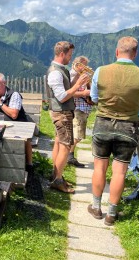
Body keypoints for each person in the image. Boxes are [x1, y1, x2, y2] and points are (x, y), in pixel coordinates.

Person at [88, 36, 139, 226]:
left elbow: (93, 98)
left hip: (102, 124)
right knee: (120, 172)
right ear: (135, 53)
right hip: (128, 126)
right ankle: (111, 214)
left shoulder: (100, 71)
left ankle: (96, 207)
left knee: (100, 167)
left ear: (117, 52)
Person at [46, 41, 89, 194]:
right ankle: (57, 180)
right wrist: (78, 86)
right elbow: (62, 96)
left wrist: (77, 79)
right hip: (62, 113)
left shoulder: (60, 70)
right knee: (65, 146)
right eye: (70, 55)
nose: (71, 58)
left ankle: (56, 174)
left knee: (59, 142)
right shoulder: (55, 72)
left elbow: (65, 88)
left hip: (62, 112)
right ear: (62, 54)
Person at [67, 56, 93, 168]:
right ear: (79, 64)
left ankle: (70, 155)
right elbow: (69, 92)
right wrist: (85, 93)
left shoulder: (81, 74)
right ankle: (69, 157)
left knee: (78, 134)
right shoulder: (72, 75)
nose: (86, 67)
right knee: (76, 134)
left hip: (83, 107)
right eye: (85, 65)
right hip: (78, 107)